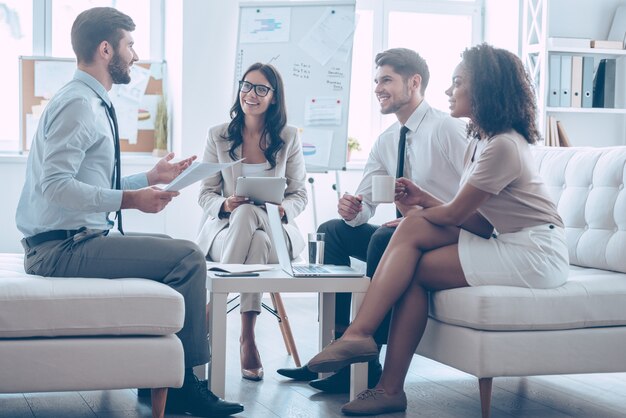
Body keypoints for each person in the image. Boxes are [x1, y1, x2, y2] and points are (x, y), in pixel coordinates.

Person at [304, 43, 570, 416]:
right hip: (509, 242)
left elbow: (458, 213)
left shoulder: (503, 146)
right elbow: (478, 221)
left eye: (458, 82)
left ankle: (360, 336)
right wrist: (423, 200)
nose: (449, 90)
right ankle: (388, 386)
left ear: (485, 89)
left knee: (411, 226)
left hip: (536, 253)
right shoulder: (483, 143)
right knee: (411, 267)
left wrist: (422, 206)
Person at [15, 7, 244, 417]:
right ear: (106, 49)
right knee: (189, 258)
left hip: (71, 241)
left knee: (177, 251)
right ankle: (184, 382)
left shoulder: (86, 101)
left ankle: (159, 377)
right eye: (130, 45)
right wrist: (131, 201)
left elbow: (85, 182)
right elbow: (56, 187)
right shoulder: (79, 106)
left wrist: (146, 179)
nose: (135, 55)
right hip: (60, 250)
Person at [277, 48, 467, 393]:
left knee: (383, 238)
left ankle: (364, 360)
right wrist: (353, 210)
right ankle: (337, 348)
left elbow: (472, 198)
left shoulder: (447, 129)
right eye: (376, 81)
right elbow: (366, 205)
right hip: (402, 237)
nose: (378, 87)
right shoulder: (387, 140)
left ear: (414, 82)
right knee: (331, 232)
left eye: (386, 80)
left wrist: (419, 218)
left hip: (443, 237)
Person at [196, 63, 307, 381]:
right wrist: (224, 204)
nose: (251, 94)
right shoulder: (218, 136)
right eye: (247, 86)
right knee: (248, 224)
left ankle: (209, 315)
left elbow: (299, 195)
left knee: (255, 223)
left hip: (277, 230)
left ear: (274, 97)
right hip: (227, 231)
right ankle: (248, 337)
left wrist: (282, 209)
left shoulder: (288, 138)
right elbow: (205, 193)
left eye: (261, 89)